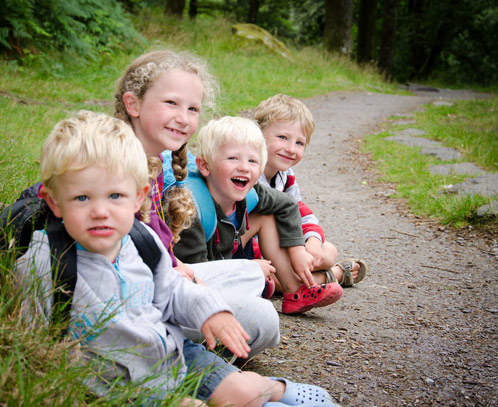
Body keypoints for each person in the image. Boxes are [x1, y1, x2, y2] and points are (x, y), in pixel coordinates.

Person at [16, 110, 340, 407]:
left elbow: (172, 289)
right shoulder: (47, 263)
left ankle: (272, 389)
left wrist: (209, 312)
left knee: (245, 393)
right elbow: (37, 350)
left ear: (138, 197)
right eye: (82, 197)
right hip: (116, 383)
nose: (101, 211)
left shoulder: (143, 242)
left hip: (175, 356)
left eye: (115, 196)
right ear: (54, 202)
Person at [114, 49, 279, 356]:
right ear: (133, 103)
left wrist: (174, 265)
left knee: (252, 274)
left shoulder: (156, 164)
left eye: (193, 109)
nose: (183, 118)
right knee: (263, 319)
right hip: (131, 296)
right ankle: (181, 351)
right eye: (171, 103)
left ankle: (186, 341)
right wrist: (171, 269)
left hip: (160, 281)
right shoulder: (115, 161)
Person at [173, 116, 344, 315]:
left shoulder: (252, 191)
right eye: (233, 158)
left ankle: (295, 291)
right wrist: (247, 270)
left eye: (252, 161)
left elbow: (288, 204)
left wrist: (297, 250)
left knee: (267, 217)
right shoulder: (190, 210)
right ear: (205, 166)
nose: (244, 167)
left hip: (227, 249)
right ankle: (324, 276)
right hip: (200, 273)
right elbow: (198, 275)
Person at [253, 94, 367, 288]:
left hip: (284, 244)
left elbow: (300, 214)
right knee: (274, 280)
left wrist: (312, 242)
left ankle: (310, 273)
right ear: (257, 134)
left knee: (328, 251)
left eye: (299, 143)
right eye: (282, 137)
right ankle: (333, 276)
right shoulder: (248, 172)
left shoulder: (286, 175)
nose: (291, 149)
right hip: (256, 251)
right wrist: (287, 257)